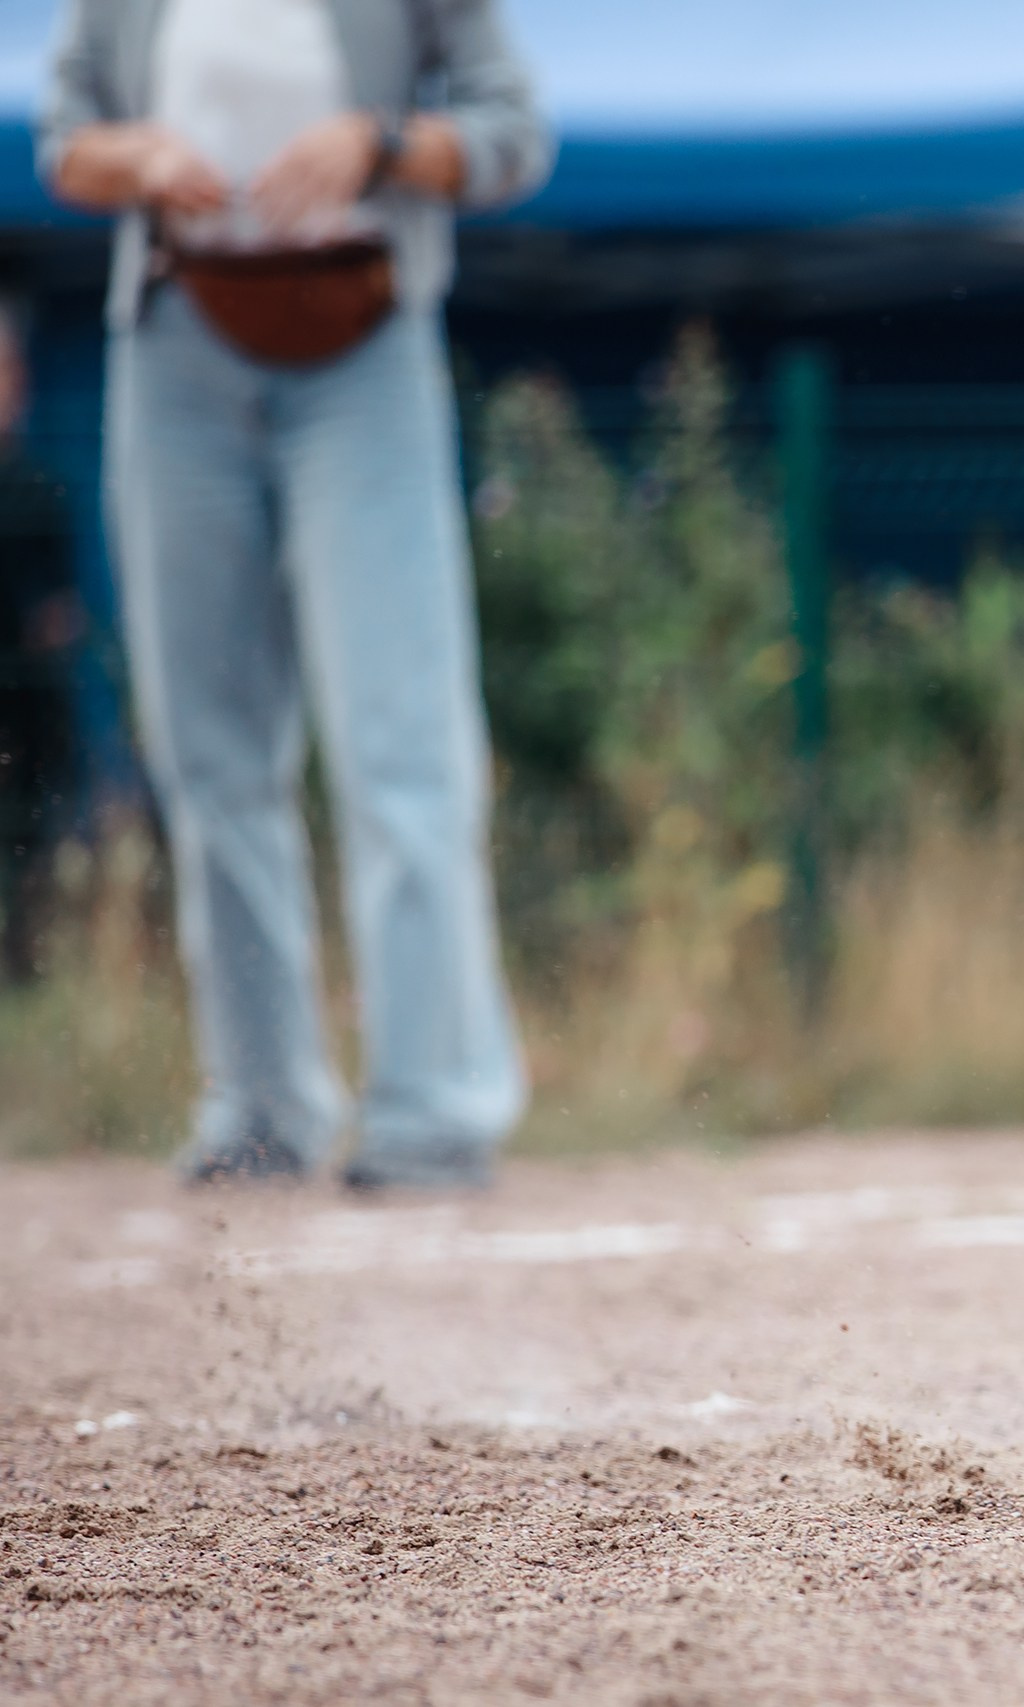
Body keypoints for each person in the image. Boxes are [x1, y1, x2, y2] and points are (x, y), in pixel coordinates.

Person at [41, 0, 552, 1189]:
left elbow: (513, 135)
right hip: (177, 341)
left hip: (365, 342)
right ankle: (261, 1106)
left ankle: (433, 1109)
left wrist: (375, 143)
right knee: (206, 747)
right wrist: (140, 157)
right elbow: (65, 142)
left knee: (399, 736)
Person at [0, 306, 82, 988]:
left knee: (31, 843)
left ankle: (24, 966)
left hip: (28, 717)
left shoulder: (36, 486)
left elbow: (58, 616)